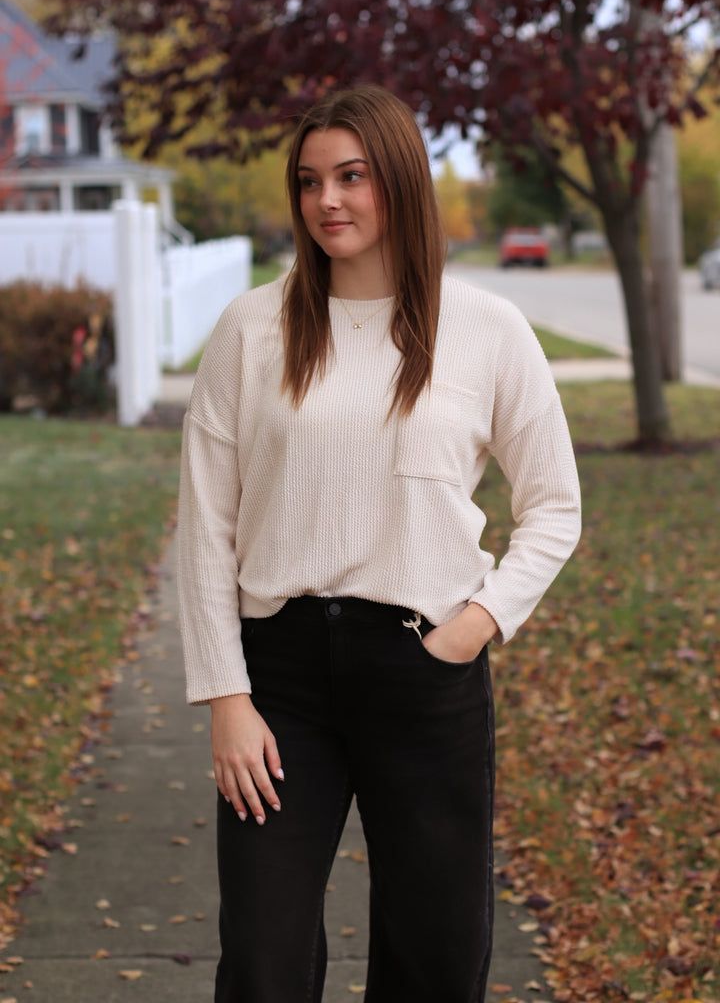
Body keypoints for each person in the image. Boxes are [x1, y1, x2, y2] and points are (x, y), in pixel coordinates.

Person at [177, 84, 581, 1003]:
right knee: (264, 962)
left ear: (399, 180)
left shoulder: (487, 330)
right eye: (311, 180)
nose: (329, 201)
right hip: (277, 686)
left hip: (424, 672)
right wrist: (225, 695)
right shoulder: (251, 329)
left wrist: (474, 627)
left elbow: (556, 504)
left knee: (435, 958)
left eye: (353, 176)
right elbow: (206, 523)